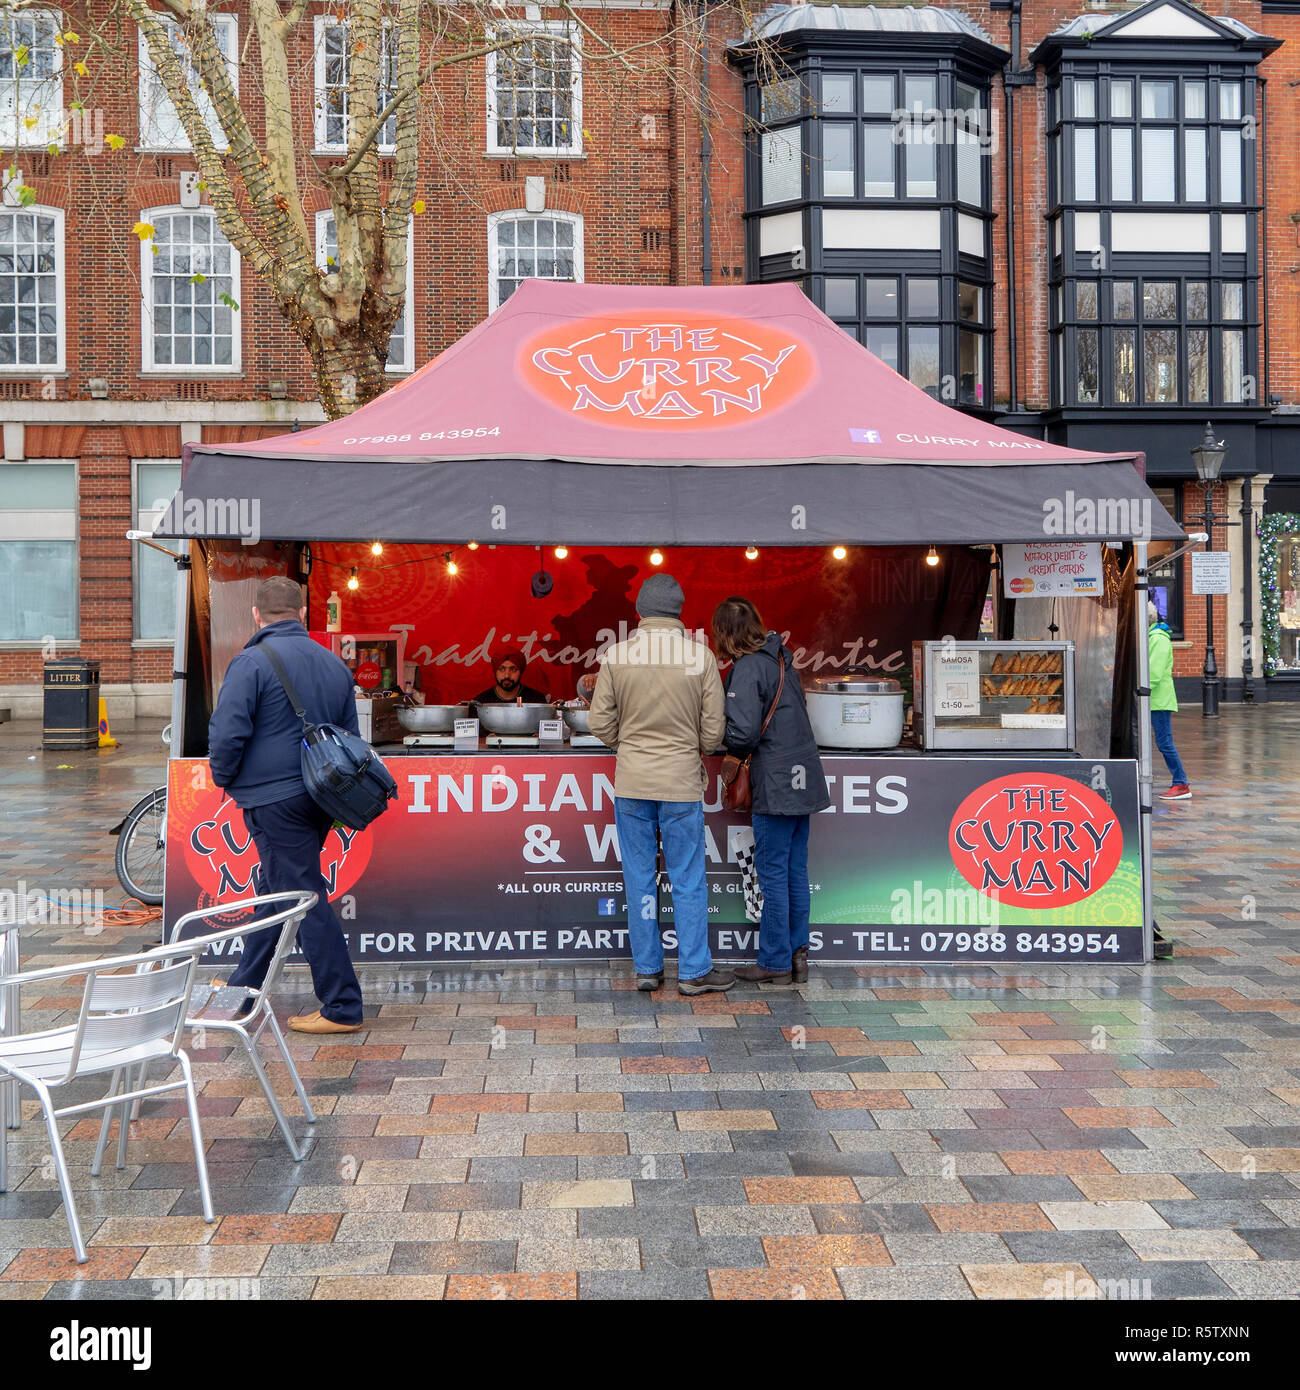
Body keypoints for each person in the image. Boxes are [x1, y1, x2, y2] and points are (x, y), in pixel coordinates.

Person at [207, 575, 365, 1034]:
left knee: (300, 895)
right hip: (322, 799)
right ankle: (244, 988)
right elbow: (351, 739)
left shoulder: (250, 662)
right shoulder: (335, 665)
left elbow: (227, 733)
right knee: (275, 889)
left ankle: (342, 1006)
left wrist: (224, 777)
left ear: (256, 615)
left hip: (273, 800)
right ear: (303, 614)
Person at [588, 574, 734, 995]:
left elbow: (599, 721)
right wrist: (692, 746)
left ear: (639, 612)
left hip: (632, 780)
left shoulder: (616, 655)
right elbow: (712, 733)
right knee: (687, 877)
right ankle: (693, 972)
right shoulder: (700, 657)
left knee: (638, 876)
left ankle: (648, 969)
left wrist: (628, 744)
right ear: (679, 613)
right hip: (682, 783)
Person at [713, 597, 830, 985]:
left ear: (725, 633)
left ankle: (774, 962)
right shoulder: (782, 660)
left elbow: (743, 733)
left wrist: (720, 739)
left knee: (773, 873)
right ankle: (798, 957)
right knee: (796, 870)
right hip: (803, 776)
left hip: (776, 782)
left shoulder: (747, 669)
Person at [1149, 599, 1190, 800]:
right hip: (1153, 699)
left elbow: (1154, 673)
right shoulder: (1152, 637)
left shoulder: (1158, 639)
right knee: (1162, 742)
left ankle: (1181, 782)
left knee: (1165, 743)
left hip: (1158, 699)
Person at [473, 647, 549, 704]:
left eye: (513, 669)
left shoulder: (536, 700)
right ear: (495, 671)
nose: (507, 676)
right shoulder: (481, 702)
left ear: (521, 672)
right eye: (502, 669)